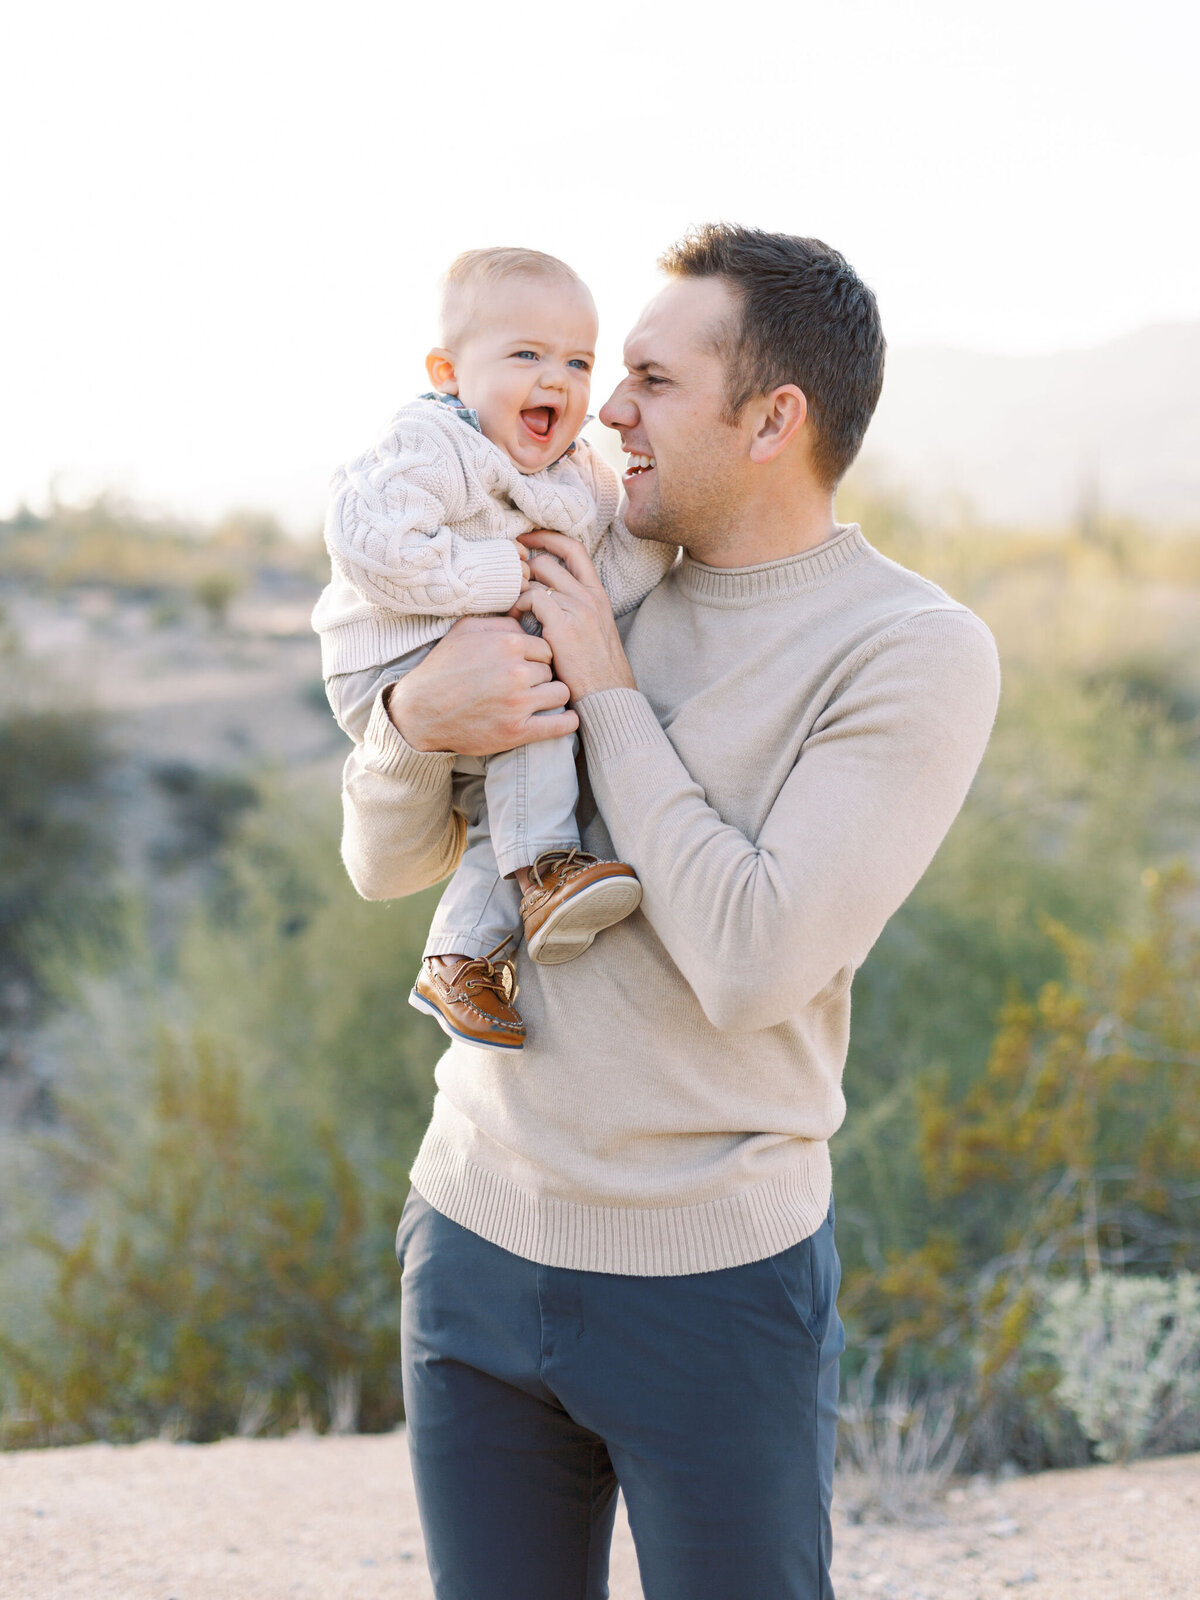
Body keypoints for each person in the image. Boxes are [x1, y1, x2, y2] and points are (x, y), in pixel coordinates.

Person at [340, 224, 1001, 1599]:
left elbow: (755, 960)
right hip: (468, 1237)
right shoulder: (582, 554)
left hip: (710, 1288)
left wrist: (607, 690)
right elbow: (386, 865)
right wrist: (411, 723)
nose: (603, 413)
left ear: (774, 419)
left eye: (645, 382)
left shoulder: (908, 650)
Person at [313, 247, 676, 1052]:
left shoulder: (576, 473)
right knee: (537, 713)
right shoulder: (433, 443)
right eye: (526, 355)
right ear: (448, 371)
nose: (559, 381)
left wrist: (659, 535)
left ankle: (462, 956)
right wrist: (495, 571)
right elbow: (371, 542)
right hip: (394, 658)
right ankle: (548, 867)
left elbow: (595, 582)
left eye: (578, 361)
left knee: (515, 778)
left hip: (496, 666)